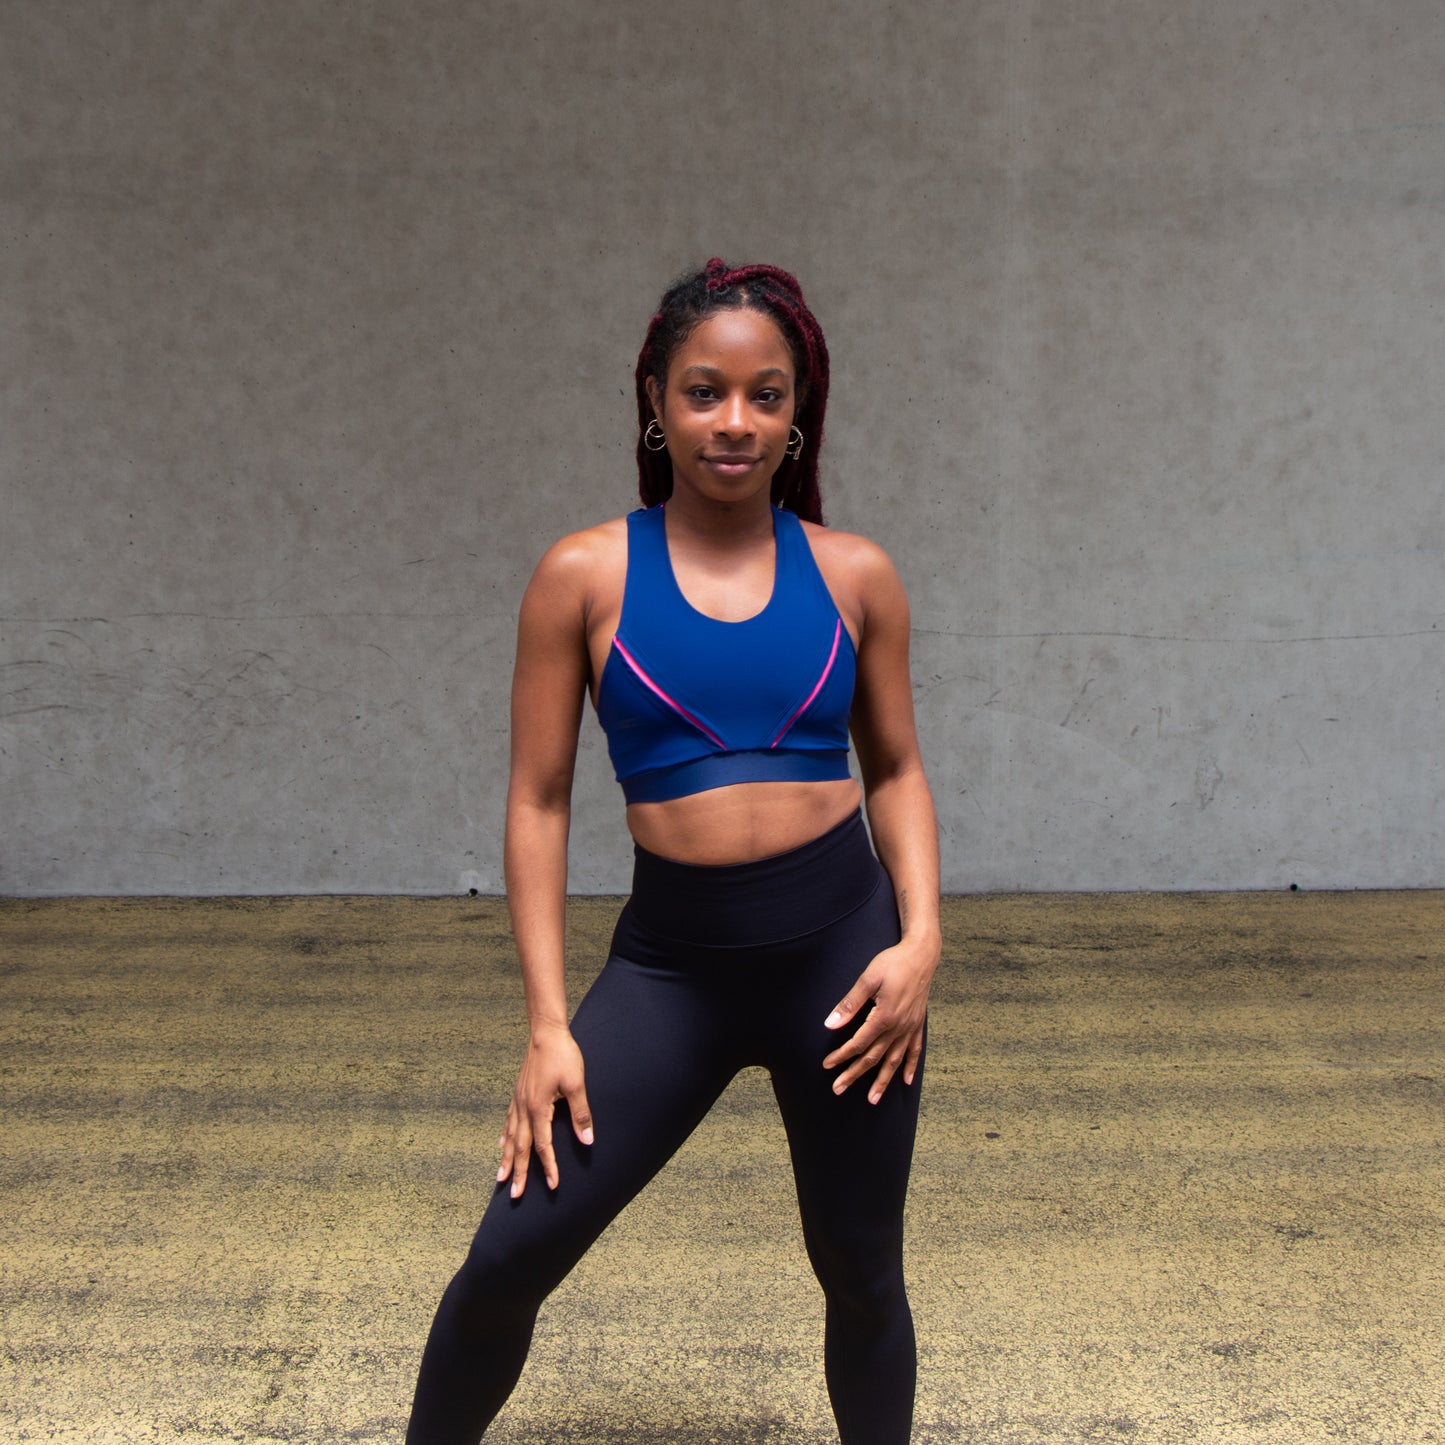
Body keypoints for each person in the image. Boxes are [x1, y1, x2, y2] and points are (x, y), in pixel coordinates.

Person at [406, 258, 941, 1444]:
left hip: (846, 971)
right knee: (508, 1255)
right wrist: (548, 1023)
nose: (734, 422)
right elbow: (538, 800)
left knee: (860, 1272)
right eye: (704, 391)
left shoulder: (855, 575)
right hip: (672, 971)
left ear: (800, 408)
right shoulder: (583, 574)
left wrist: (920, 944)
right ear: (653, 398)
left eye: (764, 392)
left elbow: (895, 770)